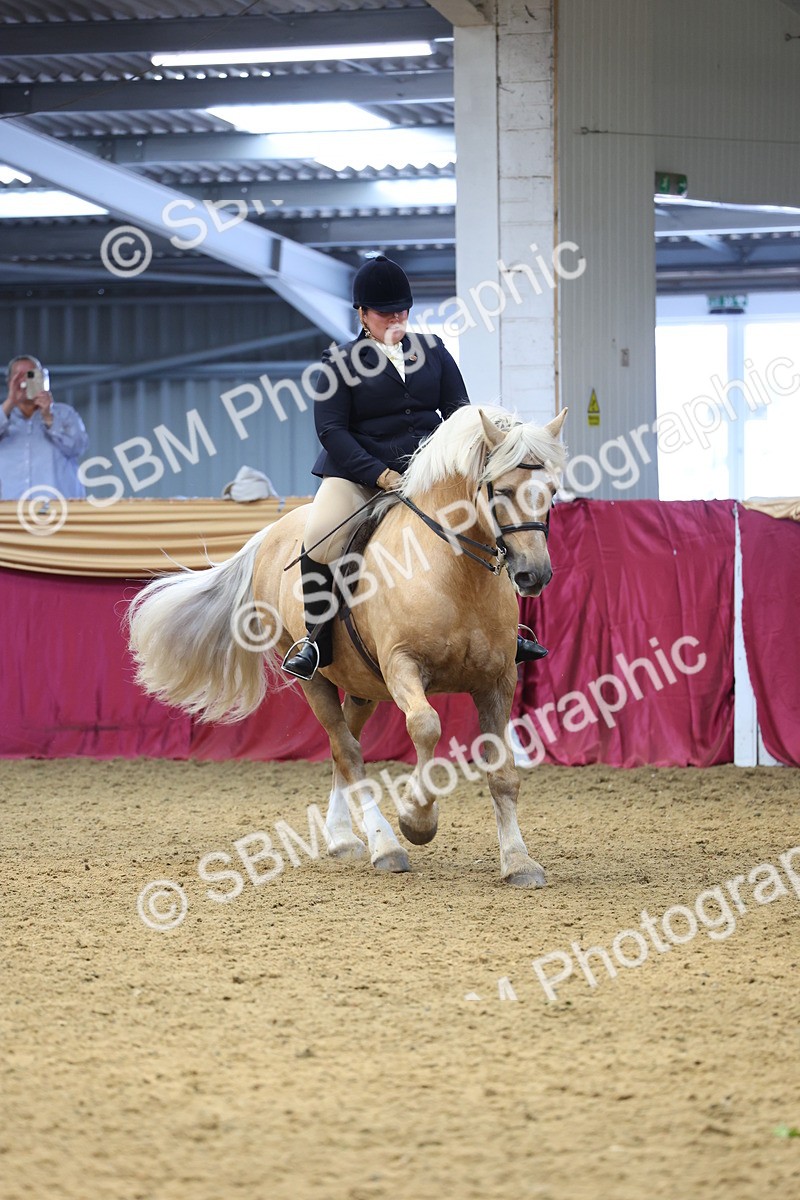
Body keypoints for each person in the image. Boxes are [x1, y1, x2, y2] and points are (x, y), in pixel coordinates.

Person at [281, 255, 548, 681]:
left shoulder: (434, 351)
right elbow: (331, 432)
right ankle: (315, 639)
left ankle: (504, 632)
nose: (397, 319)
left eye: (403, 311)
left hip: (428, 476)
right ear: (363, 314)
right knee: (319, 537)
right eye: (387, 313)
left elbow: (460, 413)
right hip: (360, 475)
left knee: (484, 523)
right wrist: (378, 474)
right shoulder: (339, 363)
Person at [0, 355, 88, 500]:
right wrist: (10, 402)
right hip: (10, 512)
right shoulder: (4, 416)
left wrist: (49, 417)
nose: (24, 381)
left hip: (59, 509)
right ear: (10, 382)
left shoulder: (64, 414)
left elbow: (78, 447)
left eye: (30, 375)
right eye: (18, 376)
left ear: (41, 378)